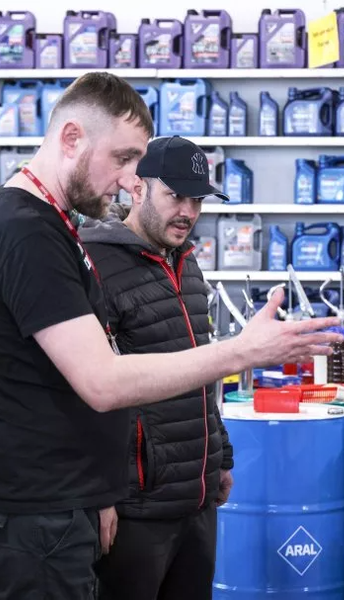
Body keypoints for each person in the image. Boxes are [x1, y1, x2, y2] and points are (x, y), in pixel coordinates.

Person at [0, 73, 341, 600]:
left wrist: (206, 458)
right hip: (35, 517)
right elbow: (104, 382)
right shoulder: (25, 230)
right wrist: (243, 351)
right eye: (123, 158)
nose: (127, 178)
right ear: (71, 138)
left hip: (61, 508)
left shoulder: (49, 227)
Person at [80, 136, 234, 600]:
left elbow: (201, 371)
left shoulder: (187, 264)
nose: (188, 211)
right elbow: (83, 394)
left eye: (197, 200)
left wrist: (220, 458)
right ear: (137, 188)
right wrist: (98, 494)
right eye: (175, 196)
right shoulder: (96, 264)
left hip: (197, 500)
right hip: (135, 508)